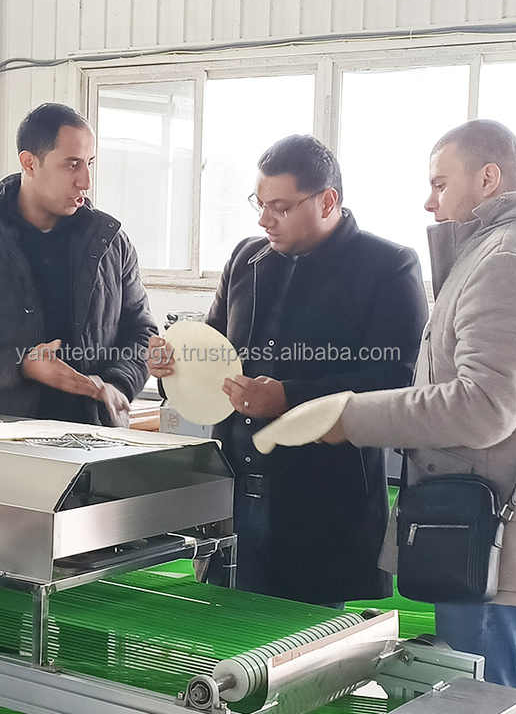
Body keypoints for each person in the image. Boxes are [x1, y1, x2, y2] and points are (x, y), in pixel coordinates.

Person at [308, 119, 516, 688]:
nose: (430, 202)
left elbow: (483, 405)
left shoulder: (509, 261)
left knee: (481, 689)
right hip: (488, 516)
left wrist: (350, 416)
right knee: (486, 679)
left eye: (440, 183)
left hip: (482, 527)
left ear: (489, 178)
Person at [149, 134, 428, 606]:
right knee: (223, 630)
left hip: (321, 500)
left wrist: (288, 398)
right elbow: (214, 356)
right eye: (259, 204)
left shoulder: (387, 267)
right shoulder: (247, 259)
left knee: (307, 638)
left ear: (328, 201)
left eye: (280, 207)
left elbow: (395, 381)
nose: (264, 220)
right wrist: (172, 365)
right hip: (235, 488)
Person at [0, 103, 157, 426]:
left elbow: (141, 333)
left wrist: (118, 384)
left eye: (89, 163)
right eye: (72, 164)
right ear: (29, 163)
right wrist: (22, 364)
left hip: (95, 439)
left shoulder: (111, 241)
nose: (85, 181)